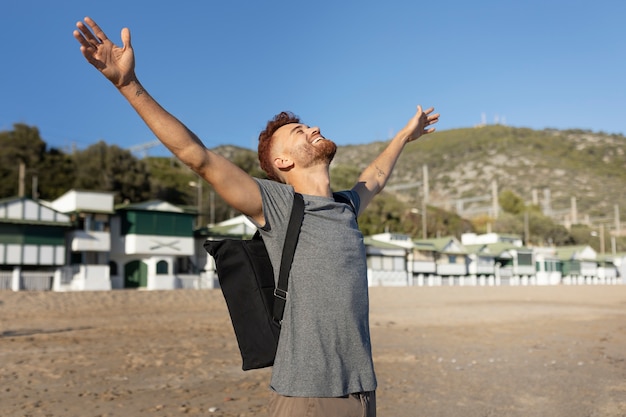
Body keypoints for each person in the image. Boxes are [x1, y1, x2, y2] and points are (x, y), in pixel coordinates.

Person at [73, 16, 439, 417]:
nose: (312, 128)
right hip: (306, 395)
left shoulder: (345, 207)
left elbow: (376, 177)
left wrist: (405, 135)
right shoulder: (278, 206)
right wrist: (128, 85)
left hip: (362, 391)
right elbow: (198, 157)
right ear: (281, 162)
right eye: (299, 131)